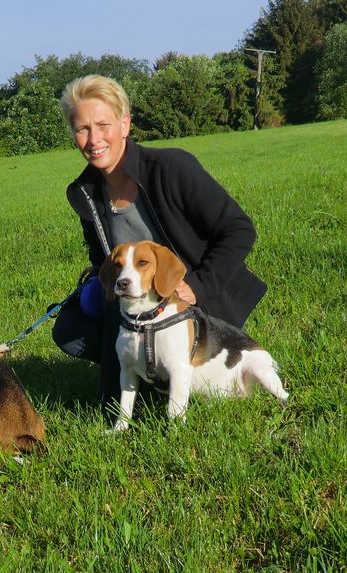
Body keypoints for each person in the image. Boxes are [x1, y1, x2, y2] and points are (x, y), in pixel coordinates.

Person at [51, 74, 268, 412]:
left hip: (195, 307)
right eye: (82, 129)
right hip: (135, 304)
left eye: (103, 125)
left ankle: (180, 369)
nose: (93, 139)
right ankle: (149, 374)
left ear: (125, 124)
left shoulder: (171, 168)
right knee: (70, 330)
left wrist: (198, 286)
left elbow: (239, 229)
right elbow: (101, 255)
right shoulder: (85, 192)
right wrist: (101, 284)